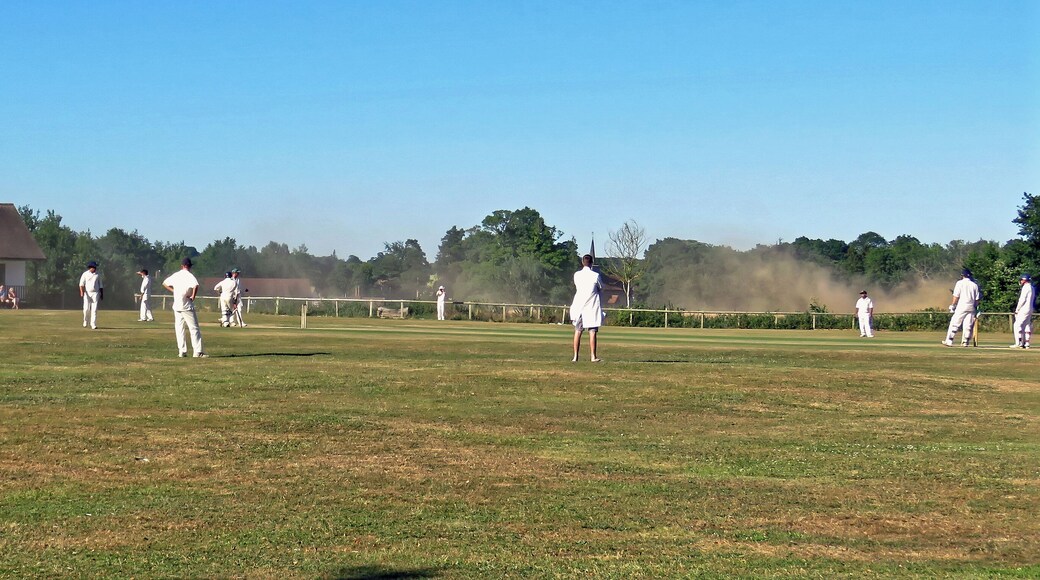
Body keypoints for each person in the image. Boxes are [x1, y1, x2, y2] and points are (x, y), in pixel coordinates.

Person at [162, 258, 207, 358]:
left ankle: (182, 351)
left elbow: (164, 283)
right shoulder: (190, 276)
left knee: (179, 328)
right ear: (189, 266)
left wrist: (173, 291)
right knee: (194, 328)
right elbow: (196, 285)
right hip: (186, 305)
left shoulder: (176, 275)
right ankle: (198, 352)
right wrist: (193, 297)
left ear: (182, 265)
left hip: (177, 305)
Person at [569, 254, 604, 362]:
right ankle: (593, 356)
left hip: (579, 305)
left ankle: (575, 357)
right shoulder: (595, 275)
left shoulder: (577, 275)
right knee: (592, 332)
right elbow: (601, 287)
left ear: (582, 263)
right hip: (591, 306)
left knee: (578, 331)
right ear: (592, 263)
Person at [942, 268, 981, 347]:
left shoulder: (959, 283)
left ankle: (949, 341)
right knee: (968, 325)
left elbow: (956, 296)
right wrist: (977, 309)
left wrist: (953, 305)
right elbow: (977, 299)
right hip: (971, 307)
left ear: (962, 275)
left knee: (955, 323)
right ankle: (965, 342)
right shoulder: (974, 285)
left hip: (962, 306)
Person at [1010, 273, 1034, 349]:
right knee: (1026, 325)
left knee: (1017, 325)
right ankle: (1026, 343)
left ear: (1024, 280)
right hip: (1030, 308)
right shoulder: (1032, 287)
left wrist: (1017, 309)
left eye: (1021, 280)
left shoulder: (1026, 287)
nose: (1020, 281)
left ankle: (1018, 343)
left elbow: (1022, 300)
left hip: (1024, 308)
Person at [78, 261, 103, 329]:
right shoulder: (85, 274)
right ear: (90, 267)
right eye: (94, 267)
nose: (95, 268)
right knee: (86, 309)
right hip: (87, 293)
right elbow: (81, 284)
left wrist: (101, 294)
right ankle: (85, 321)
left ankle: (93, 324)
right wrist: (82, 292)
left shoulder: (98, 274)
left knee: (94, 309)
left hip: (95, 293)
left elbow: (100, 285)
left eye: (95, 267)